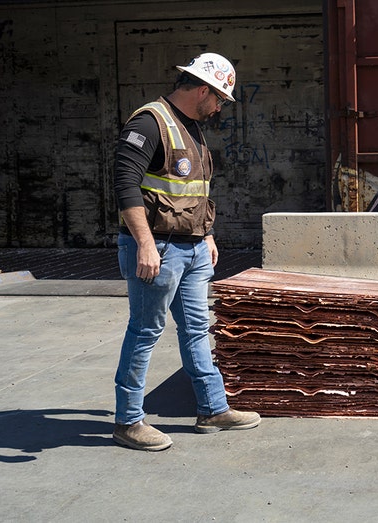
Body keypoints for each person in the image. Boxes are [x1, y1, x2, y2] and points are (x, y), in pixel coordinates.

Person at [111, 52, 260, 451]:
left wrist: (206, 234)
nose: (219, 108)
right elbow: (125, 185)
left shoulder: (190, 127)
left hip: (192, 248)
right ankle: (128, 421)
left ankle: (213, 408)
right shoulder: (149, 122)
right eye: (219, 100)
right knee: (144, 331)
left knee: (196, 328)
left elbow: (195, 191)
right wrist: (144, 244)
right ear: (202, 90)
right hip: (157, 247)